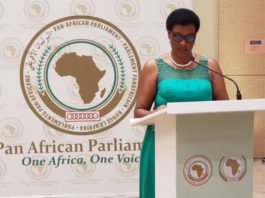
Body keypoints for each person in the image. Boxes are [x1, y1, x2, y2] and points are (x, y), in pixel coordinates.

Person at [134, 8, 229, 198]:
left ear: (195, 36)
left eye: (190, 37)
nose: (184, 43)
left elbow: (225, 107)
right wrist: (155, 113)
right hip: (163, 143)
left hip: (205, 142)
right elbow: (139, 111)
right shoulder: (154, 66)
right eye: (178, 37)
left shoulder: (210, 65)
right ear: (169, 35)